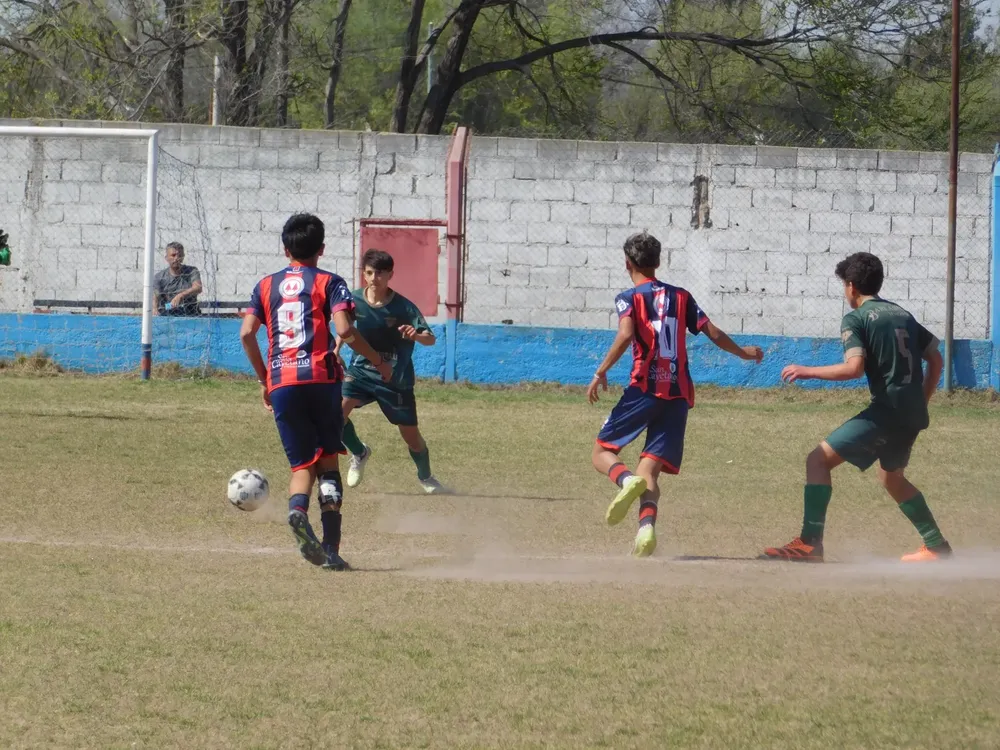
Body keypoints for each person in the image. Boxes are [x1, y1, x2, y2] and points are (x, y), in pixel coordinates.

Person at [763, 252, 950, 563]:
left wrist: (806, 370)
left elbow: (853, 368)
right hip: (911, 414)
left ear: (851, 287)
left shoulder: (857, 318)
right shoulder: (902, 313)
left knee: (818, 460)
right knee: (892, 478)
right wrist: (922, 400)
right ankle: (937, 547)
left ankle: (810, 543)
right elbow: (936, 358)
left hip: (887, 411)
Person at [588, 232, 763, 557]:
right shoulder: (681, 297)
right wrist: (743, 353)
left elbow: (626, 333)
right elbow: (712, 332)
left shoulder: (628, 297)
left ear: (628, 263)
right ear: (658, 262)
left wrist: (601, 371)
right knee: (650, 470)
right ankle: (645, 530)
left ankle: (624, 480)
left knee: (601, 452)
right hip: (678, 394)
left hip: (644, 389)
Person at [239, 214, 392, 571]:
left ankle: (296, 511)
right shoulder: (330, 282)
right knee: (328, 463)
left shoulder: (265, 285)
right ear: (321, 249)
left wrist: (265, 379)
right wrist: (378, 362)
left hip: (282, 383)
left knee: (301, 464)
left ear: (284, 248)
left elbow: (247, 333)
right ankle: (332, 549)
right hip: (322, 380)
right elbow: (345, 329)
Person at [335, 249, 448, 494]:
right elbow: (345, 328)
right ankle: (359, 452)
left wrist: (416, 335)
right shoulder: (354, 300)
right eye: (369, 272)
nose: (374, 278)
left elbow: (431, 339)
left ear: (390, 275)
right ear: (364, 274)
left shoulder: (403, 307)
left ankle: (426, 477)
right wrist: (336, 349)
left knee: (411, 437)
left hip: (395, 379)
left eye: (380, 273)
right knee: (335, 415)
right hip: (361, 372)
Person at [154, 242, 202, 316]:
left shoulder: (192, 271)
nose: (176, 258)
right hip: (168, 314)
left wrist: (181, 295)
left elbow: (198, 288)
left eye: (179, 255)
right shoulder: (160, 277)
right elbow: (155, 295)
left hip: (191, 314)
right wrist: (154, 309)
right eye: (173, 255)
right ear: (166, 258)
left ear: (183, 257)